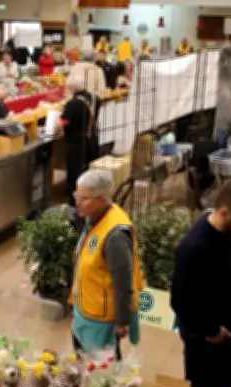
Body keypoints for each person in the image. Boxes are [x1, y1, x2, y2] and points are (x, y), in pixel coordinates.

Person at [171, 180, 231, 387]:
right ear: (224, 213)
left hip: (224, 334)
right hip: (205, 342)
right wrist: (211, 331)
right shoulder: (195, 248)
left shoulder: (226, 231)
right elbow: (180, 301)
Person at [70, 170, 142, 360]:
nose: (77, 201)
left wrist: (122, 322)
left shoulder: (115, 236)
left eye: (84, 198)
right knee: (83, 363)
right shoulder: (93, 217)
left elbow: (122, 282)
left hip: (101, 319)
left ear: (102, 199)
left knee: (102, 372)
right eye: (77, 195)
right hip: (86, 308)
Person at [59, 77, 96, 206]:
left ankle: (74, 204)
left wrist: (59, 127)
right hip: (85, 140)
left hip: (74, 143)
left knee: (73, 175)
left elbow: (63, 122)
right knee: (81, 171)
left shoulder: (73, 104)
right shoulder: (88, 99)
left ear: (72, 89)